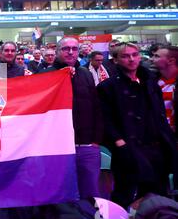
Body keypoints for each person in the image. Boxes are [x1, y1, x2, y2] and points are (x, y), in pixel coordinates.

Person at [97, 43, 178, 209]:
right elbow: (105, 119)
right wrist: (120, 143)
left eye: (134, 54)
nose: (131, 59)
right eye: (126, 56)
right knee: (126, 194)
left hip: (157, 147)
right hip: (129, 148)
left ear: (140, 56)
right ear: (116, 60)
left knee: (158, 194)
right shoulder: (107, 87)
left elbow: (160, 114)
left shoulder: (151, 83)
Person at [41, 37, 103, 200]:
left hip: (86, 145)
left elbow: (96, 106)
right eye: (65, 49)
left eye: (74, 49)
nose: (70, 52)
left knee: (90, 196)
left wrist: (96, 140)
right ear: (57, 51)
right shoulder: (45, 75)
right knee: (57, 194)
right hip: (56, 147)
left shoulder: (86, 74)